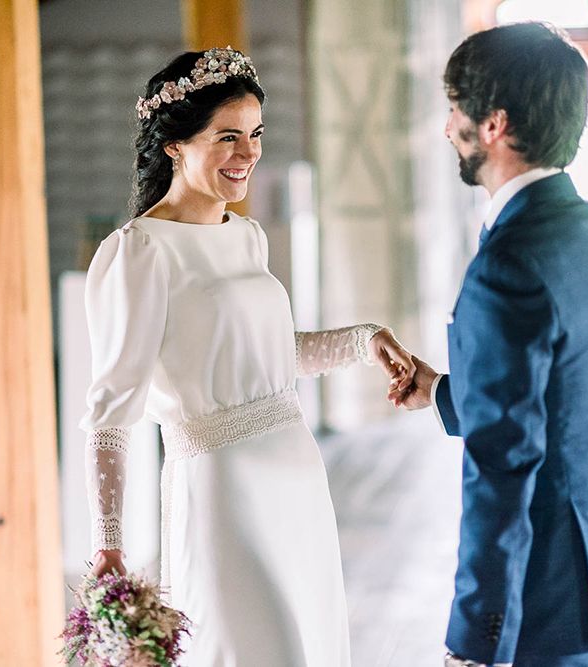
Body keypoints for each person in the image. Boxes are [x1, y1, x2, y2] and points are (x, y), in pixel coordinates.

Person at [80, 47, 414, 665]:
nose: (249, 153)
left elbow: (271, 357)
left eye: (256, 134)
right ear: (175, 144)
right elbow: (110, 413)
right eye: (227, 137)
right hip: (221, 488)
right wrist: (108, 542)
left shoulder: (247, 236)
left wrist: (365, 339)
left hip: (295, 474)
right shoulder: (140, 252)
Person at [390, 23, 588, 667]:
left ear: (493, 125)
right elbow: (574, 384)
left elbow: (501, 470)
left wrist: (476, 639)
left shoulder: (506, 265)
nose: (445, 126)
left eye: (455, 108)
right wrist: (446, 393)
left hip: (549, 599)